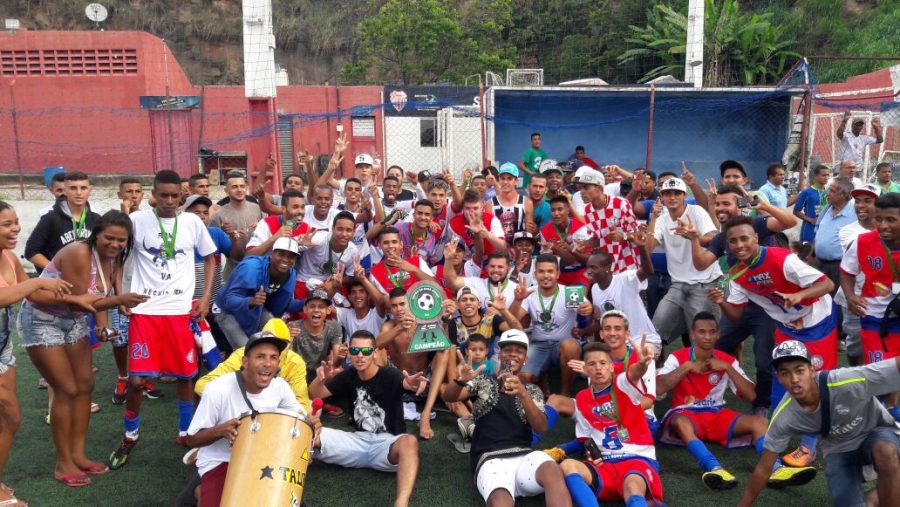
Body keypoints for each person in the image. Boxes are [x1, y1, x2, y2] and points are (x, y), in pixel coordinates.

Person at [18, 211, 149, 486]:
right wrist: (119, 300)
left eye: (121, 240)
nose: (114, 244)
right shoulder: (80, 252)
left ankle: (78, 454)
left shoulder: (112, 258)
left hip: (73, 319)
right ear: (95, 234)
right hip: (44, 319)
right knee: (66, 388)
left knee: (85, 384)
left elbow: (94, 299)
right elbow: (82, 301)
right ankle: (63, 462)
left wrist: (102, 326)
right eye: (109, 238)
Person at [109, 170, 218, 470]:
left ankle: (185, 432)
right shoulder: (136, 221)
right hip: (145, 311)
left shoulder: (192, 222)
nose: (169, 201)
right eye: (163, 195)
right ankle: (131, 435)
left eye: (174, 196)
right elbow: (116, 259)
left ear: (181, 195)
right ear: (153, 194)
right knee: (136, 380)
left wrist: (205, 297)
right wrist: (120, 296)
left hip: (181, 312)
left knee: (186, 377)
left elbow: (210, 258)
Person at [709, 215, 837, 467]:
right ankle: (777, 432)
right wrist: (721, 301)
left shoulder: (783, 258)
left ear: (756, 237)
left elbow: (827, 283)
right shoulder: (734, 273)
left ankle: (809, 446)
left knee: (814, 381)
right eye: (733, 241)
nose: (739, 245)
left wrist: (798, 295)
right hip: (787, 326)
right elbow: (735, 315)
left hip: (817, 322)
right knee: (783, 378)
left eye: (744, 238)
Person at [657, 312, 815, 491]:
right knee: (679, 421)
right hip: (685, 414)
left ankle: (776, 468)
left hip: (715, 413)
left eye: (712, 332)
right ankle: (714, 468)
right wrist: (686, 367)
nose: (707, 337)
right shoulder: (678, 357)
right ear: (693, 334)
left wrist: (727, 368)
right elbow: (659, 388)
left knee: (759, 422)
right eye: (701, 332)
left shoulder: (727, 360)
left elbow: (752, 396)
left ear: (718, 334)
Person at [738, 341, 900, 507]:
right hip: (839, 448)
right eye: (785, 373)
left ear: (812, 371)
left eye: (799, 370)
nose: (794, 379)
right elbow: (764, 468)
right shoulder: (784, 416)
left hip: (877, 433)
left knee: (885, 452)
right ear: (779, 378)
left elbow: (895, 367)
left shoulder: (844, 381)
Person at [690, 184, 799, 414]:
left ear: (740, 206)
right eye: (717, 203)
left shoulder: (755, 224)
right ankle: (710, 392)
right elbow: (701, 264)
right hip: (739, 303)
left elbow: (790, 222)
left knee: (763, 359)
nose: (720, 208)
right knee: (715, 346)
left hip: (768, 308)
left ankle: (762, 404)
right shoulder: (722, 238)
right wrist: (692, 239)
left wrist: (764, 206)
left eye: (726, 203)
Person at [185, 331, 319, 507]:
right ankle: (201, 490)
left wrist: (312, 426)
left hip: (264, 456)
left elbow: (299, 420)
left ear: (279, 363)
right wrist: (221, 430)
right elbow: (191, 439)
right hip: (222, 460)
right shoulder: (217, 389)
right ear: (245, 362)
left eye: (273, 358)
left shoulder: (280, 386)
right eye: (260, 357)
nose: (267, 364)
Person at [442, 329, 572, 507]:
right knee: (501, 499)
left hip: (525, 457)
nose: (513, 354)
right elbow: (449, 397)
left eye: (519, 351)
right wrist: (459, 381)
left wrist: (523, 394)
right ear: (500, 354)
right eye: (507, 350)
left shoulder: (533, 390)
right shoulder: (482, 381)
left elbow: (541, 427)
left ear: (525, 359)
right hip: (490, 458)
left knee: (552, 470)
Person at [0, 201, 74, 506]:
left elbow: (31, 291)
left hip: (3, 350)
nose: (15, 228)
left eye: (16, 222)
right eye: (6, 224)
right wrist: (40, 280)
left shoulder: (7, 256)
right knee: (11, 416)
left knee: (5, 420)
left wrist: (77, 298)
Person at [310, 330, 426, 507]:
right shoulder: (349, 374)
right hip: (357, 441)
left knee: (409, 442)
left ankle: (401, 503)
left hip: (387, 445)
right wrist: (321, 379)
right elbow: (315, 393)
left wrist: (411, 384)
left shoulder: (389, 374)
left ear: (375, 353)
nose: (360, 356)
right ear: (349, 352)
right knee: (306, 430)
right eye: (355, 351)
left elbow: (405, 383)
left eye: (365, 351)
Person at [558, 340, 662, 507]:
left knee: (632, 487)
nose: (598, 368)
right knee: (568, 466)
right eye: (591, 364)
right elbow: (585, 439)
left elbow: (634, 373)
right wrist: (589, 453)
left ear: (612, 367)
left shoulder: (622, 384)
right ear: (584, 370)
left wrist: (642, 364)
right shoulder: (582, 398)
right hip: (604, 464)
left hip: (636, 458)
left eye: (603, 363)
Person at [841, 192, 900, 422]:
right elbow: (847, 271)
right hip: (873, 316)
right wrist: (850, 296)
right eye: (879, 219)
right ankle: (873, 410)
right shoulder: (863, 241)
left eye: (891, 220)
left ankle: (892, 405)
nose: (883, 226)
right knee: (877, 369)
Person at [645, 177, 722, 347]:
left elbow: (712, 240)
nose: (672, 197)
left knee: (703, 337)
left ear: (684, 196)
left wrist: (693, 235)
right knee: (655, 331)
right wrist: (653, 218)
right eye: (667, 194)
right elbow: (648, 248)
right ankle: (653, 371)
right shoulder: (662, 219)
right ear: (662, 197)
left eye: (677, 193)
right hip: (678, 284)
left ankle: (705, 371)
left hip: (705, 282)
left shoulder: (696, 212)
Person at [510, 254, 587, 397]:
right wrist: (517, 300)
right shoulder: (529, 293)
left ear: (557, 274)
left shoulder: (570, 292)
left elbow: (589, 309)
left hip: (562, 345)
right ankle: (540, 380)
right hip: (539, 345)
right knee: (524, 377)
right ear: (535, 274)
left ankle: (564, 393)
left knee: (569, 346)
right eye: (541, 271)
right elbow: (511, 320)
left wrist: (589, 308)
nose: (546, 275)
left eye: (550, 271)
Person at [376, 288, 449, 439]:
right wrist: (400, 327)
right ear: (390, 308)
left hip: (422, 381)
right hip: (398, 382)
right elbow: (377, 344)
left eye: (402, 304)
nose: (399, 309)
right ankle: (376, 406)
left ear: (411, 304)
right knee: (377, 350)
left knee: (445, 351)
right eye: (394, 306)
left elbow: (443, 345)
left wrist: (446, 320)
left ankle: (425, 415)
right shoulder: (389, 326)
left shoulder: (423, 322)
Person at [195, 318, 310, 410]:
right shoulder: (242, 355)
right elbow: (202, 385)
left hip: (276, 415)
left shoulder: (296, 363)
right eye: (261, 355)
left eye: (279, 346)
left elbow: (302, 404)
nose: (268, 363)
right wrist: (238, 402)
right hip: (241, 413)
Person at [214, 237, 305, 349]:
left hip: (256, 308)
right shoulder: (251, 268)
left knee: (279, 339)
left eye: (290, 256)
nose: (286, 259)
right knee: (247, 350)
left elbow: (282, 304)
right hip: (226, 310)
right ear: (272, 254)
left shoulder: (290, 274)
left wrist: (308, 302)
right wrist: (251, 301)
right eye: (281, 254)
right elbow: (229, 300)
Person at [581, 235, 663, 356]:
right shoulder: (595, 289)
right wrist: (582, 331)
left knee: (634, 358)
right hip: (619, 345)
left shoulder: (624, 279)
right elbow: (601, 322)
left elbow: (648, 271)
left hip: (644, 342)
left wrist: (641, 248)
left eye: (593, 267)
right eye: (588, 267)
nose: (588, 271)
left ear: (607, 268)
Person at [835, 184, 881, 368]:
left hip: (885, 297)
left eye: (868, 201)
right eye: (858, 201)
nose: (860, 205)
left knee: (885, 343)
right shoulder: (848, 231)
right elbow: (858, 258)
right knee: (855, 346)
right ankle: (857, 375)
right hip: (855, 299)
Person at [26, 172, 101, 274]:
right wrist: (56, 271)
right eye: (73, 188)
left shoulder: (96, 219)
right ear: (65, 191)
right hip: (57, 284)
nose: (79, 193)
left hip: (85, 280)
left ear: (90, 191)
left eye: (83, 188)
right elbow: (31, 252)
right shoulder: (51, 218)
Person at [579, 170, 641, 274]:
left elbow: (638, 235)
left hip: (629, 267)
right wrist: (584, 244)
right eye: (580, 188)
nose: (581, 192)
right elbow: (599, 239)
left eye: (586, 187)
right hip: (607, 269)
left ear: (600, 188)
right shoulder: (588, 210)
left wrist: (623, 236)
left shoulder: (621, 204)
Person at [208, 171, 262, 280]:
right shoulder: (218, 215)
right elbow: (213, 248)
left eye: (242, 186)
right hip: (234, 271)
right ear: (226, 191)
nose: (239, 190)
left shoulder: (256, 208)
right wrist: (228, 235)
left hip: (258, 267)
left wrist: (260, 226)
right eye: (234, 187)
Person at [294, 211, 359, 300]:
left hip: (327, 284)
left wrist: (332, 284)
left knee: (326, 312)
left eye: (349, 230)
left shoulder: (353, 251)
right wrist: (299, 244)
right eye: (340, 229)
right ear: (332, 228)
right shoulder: (318, 238)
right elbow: (286, 244)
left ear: (354, 231)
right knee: (304, 312)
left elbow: (350, 276)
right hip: (303, 280)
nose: (344, 234)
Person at [814, 176, 857, 300]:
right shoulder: (827, 208)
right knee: (816, 299)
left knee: (835, 300)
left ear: (844, 195)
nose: (827, 194)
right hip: (819, 263)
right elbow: (818, 231)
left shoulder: (854, 213)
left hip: (838, 266)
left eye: (832, 191)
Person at [539, 195, 590, 287]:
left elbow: (588, 260)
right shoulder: (544, 231)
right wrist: (557, 249)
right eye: (553, 210)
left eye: (560, 209)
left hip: (579, 271)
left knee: (574, 301)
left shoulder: (580, 228)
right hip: (558, 274)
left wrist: (569, 250)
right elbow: (557, 262)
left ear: (567, 210)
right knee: (554, 300)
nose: (556, 213)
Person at [444, 249, 518, 309]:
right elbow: (453, 281)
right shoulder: (476, 283)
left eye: (500, 267)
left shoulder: (516, 290)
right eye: (492, 266)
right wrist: (448, 259)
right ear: (487, 268)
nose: (495, 270)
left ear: (508, 270)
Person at [245, 188, 310, 256]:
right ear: (283, 209)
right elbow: (249, 255)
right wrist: (273, 238)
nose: (300, 211)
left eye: (302, 207)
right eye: (295, 207)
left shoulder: (307, 229)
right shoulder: (266, 224)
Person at [449, 190, 507, 262]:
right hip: (466, 262)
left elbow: (503, 247)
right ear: (463, 208)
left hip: (490, 260)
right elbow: (452, 252)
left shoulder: (491, 220)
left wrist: (487, 234)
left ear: (482, 207)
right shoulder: (454, 224)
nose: (471, 212)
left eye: (475, 208)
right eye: (467, 208)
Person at [491, 163, 534, 244]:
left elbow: (529, 232)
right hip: (498, 252)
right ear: (499, 180)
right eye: (502, 178)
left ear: (516, 181)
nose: (505, 182)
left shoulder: (527, 203)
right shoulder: (490, 204)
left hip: (519, 248)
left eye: (509, 178)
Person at [793, 164, 831, 244]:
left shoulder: (829, 192)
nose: (826, 177)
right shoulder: (807, 192)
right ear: (815, 176)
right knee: (807, 252)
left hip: (825, 229)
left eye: (828, 175)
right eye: (823, 175)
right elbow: (796, 211)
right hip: (809, 229)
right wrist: (810, 220)